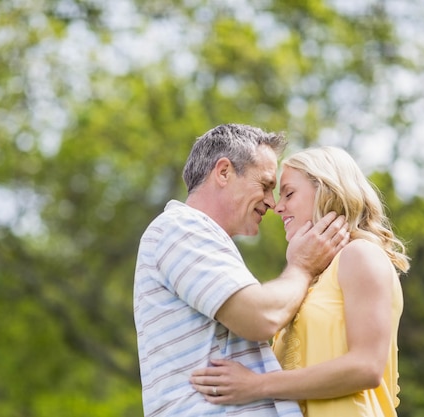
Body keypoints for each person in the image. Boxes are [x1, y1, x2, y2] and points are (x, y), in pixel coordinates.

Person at [134, 124, 349, 417]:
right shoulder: (180, 228)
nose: (272, 203)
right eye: (265, 185)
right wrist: (302, 267)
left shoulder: (200, 238)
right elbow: (259, 318)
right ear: (224, 172)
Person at [190, 145, 410, 417]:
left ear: (327, 191)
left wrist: (256, 385)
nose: (278, 207)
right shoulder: (311, 278)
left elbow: (366, 367)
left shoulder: (360, 255)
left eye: (289, 194)